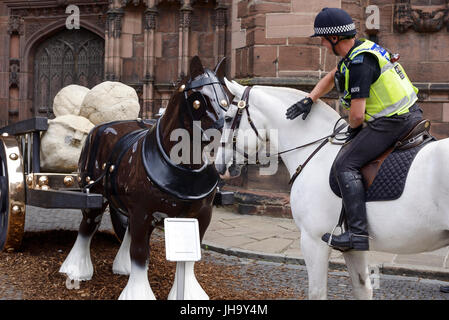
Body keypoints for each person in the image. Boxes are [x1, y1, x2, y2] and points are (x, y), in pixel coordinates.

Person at [286, 7, 423, 251]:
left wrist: (351, 129)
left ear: (334, 38)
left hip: (392, 122)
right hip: (408, 115)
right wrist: (310, 99)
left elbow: (357, 116)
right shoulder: (360, 51)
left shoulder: (360, 63)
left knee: (344, 164)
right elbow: (333, 75)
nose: (323, 45)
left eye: (323, 40)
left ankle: (357, 233)